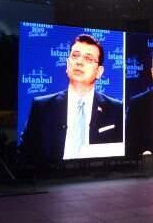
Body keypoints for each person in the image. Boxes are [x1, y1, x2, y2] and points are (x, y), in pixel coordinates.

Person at [20, 34, 123, 164]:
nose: (79, 62)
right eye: (75, 56)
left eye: (88, 58)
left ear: (99, 71)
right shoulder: (42, 107)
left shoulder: (116, 109)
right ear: (67, 64)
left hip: (99, 180)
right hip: (53, 180)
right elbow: (25, 155)